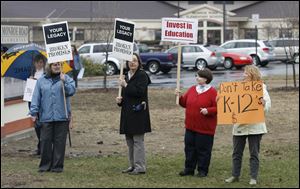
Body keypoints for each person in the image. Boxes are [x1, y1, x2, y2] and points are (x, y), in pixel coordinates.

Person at [225, 65, 271, 185]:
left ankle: (253, 178)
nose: (243, 75)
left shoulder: (261, 88)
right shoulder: (237, 88)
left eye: (246, 73)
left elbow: (267, 107)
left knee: (254, 153)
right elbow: (231, 104)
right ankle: (235, 175)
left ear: (252, 74)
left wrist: (263, 104)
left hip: (255, 127)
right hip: (239, 125)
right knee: (236, 153)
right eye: (244, 73)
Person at [30, 62, 76, 173]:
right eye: (54, 65)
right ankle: (45, 166)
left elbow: (71, 91)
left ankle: (57, 167)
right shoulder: (41, 80)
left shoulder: (66, 78)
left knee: (59, 143)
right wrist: (34, 112)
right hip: (46, 116)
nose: (57, 66)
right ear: (49, 67)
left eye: (59, 64)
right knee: (45, 141)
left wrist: (64, 81)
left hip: (62, 116)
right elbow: (36, 96)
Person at [175, 68, 217, 178]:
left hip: (205, 128)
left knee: (203, 150)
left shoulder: (213, 92)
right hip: (190, 126)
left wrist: (208, 111)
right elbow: (184, 103)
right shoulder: (192, 89)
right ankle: (189, 169)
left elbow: (219, 108)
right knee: (189, 149)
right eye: (197, 76)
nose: (197, 78)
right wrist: (179, 97)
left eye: (200, 76)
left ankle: (202, 170)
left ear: (206, 79)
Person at [116, 53, 151, 175]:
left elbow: (139, 92)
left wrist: (126, 85)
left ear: (139, 62)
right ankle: (132, 165)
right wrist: (120, 102)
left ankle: (140, 167)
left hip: (138, 113)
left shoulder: (142, 76)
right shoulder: (126, 76)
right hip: (127, 113)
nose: (132, 63)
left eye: (135, 61)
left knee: (138, 141)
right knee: (129, 141)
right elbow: (127, 95)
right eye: (130, 61)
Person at [28, 54, 46, 156]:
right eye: (37, 62)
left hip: (43, 102)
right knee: (36, 124)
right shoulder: (32, 73)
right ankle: (40, 144)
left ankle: (42, 146)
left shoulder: (46, 74)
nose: (39, 64)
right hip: (32, 101)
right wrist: (30, 80)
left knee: (42, 124)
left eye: (40, 62)